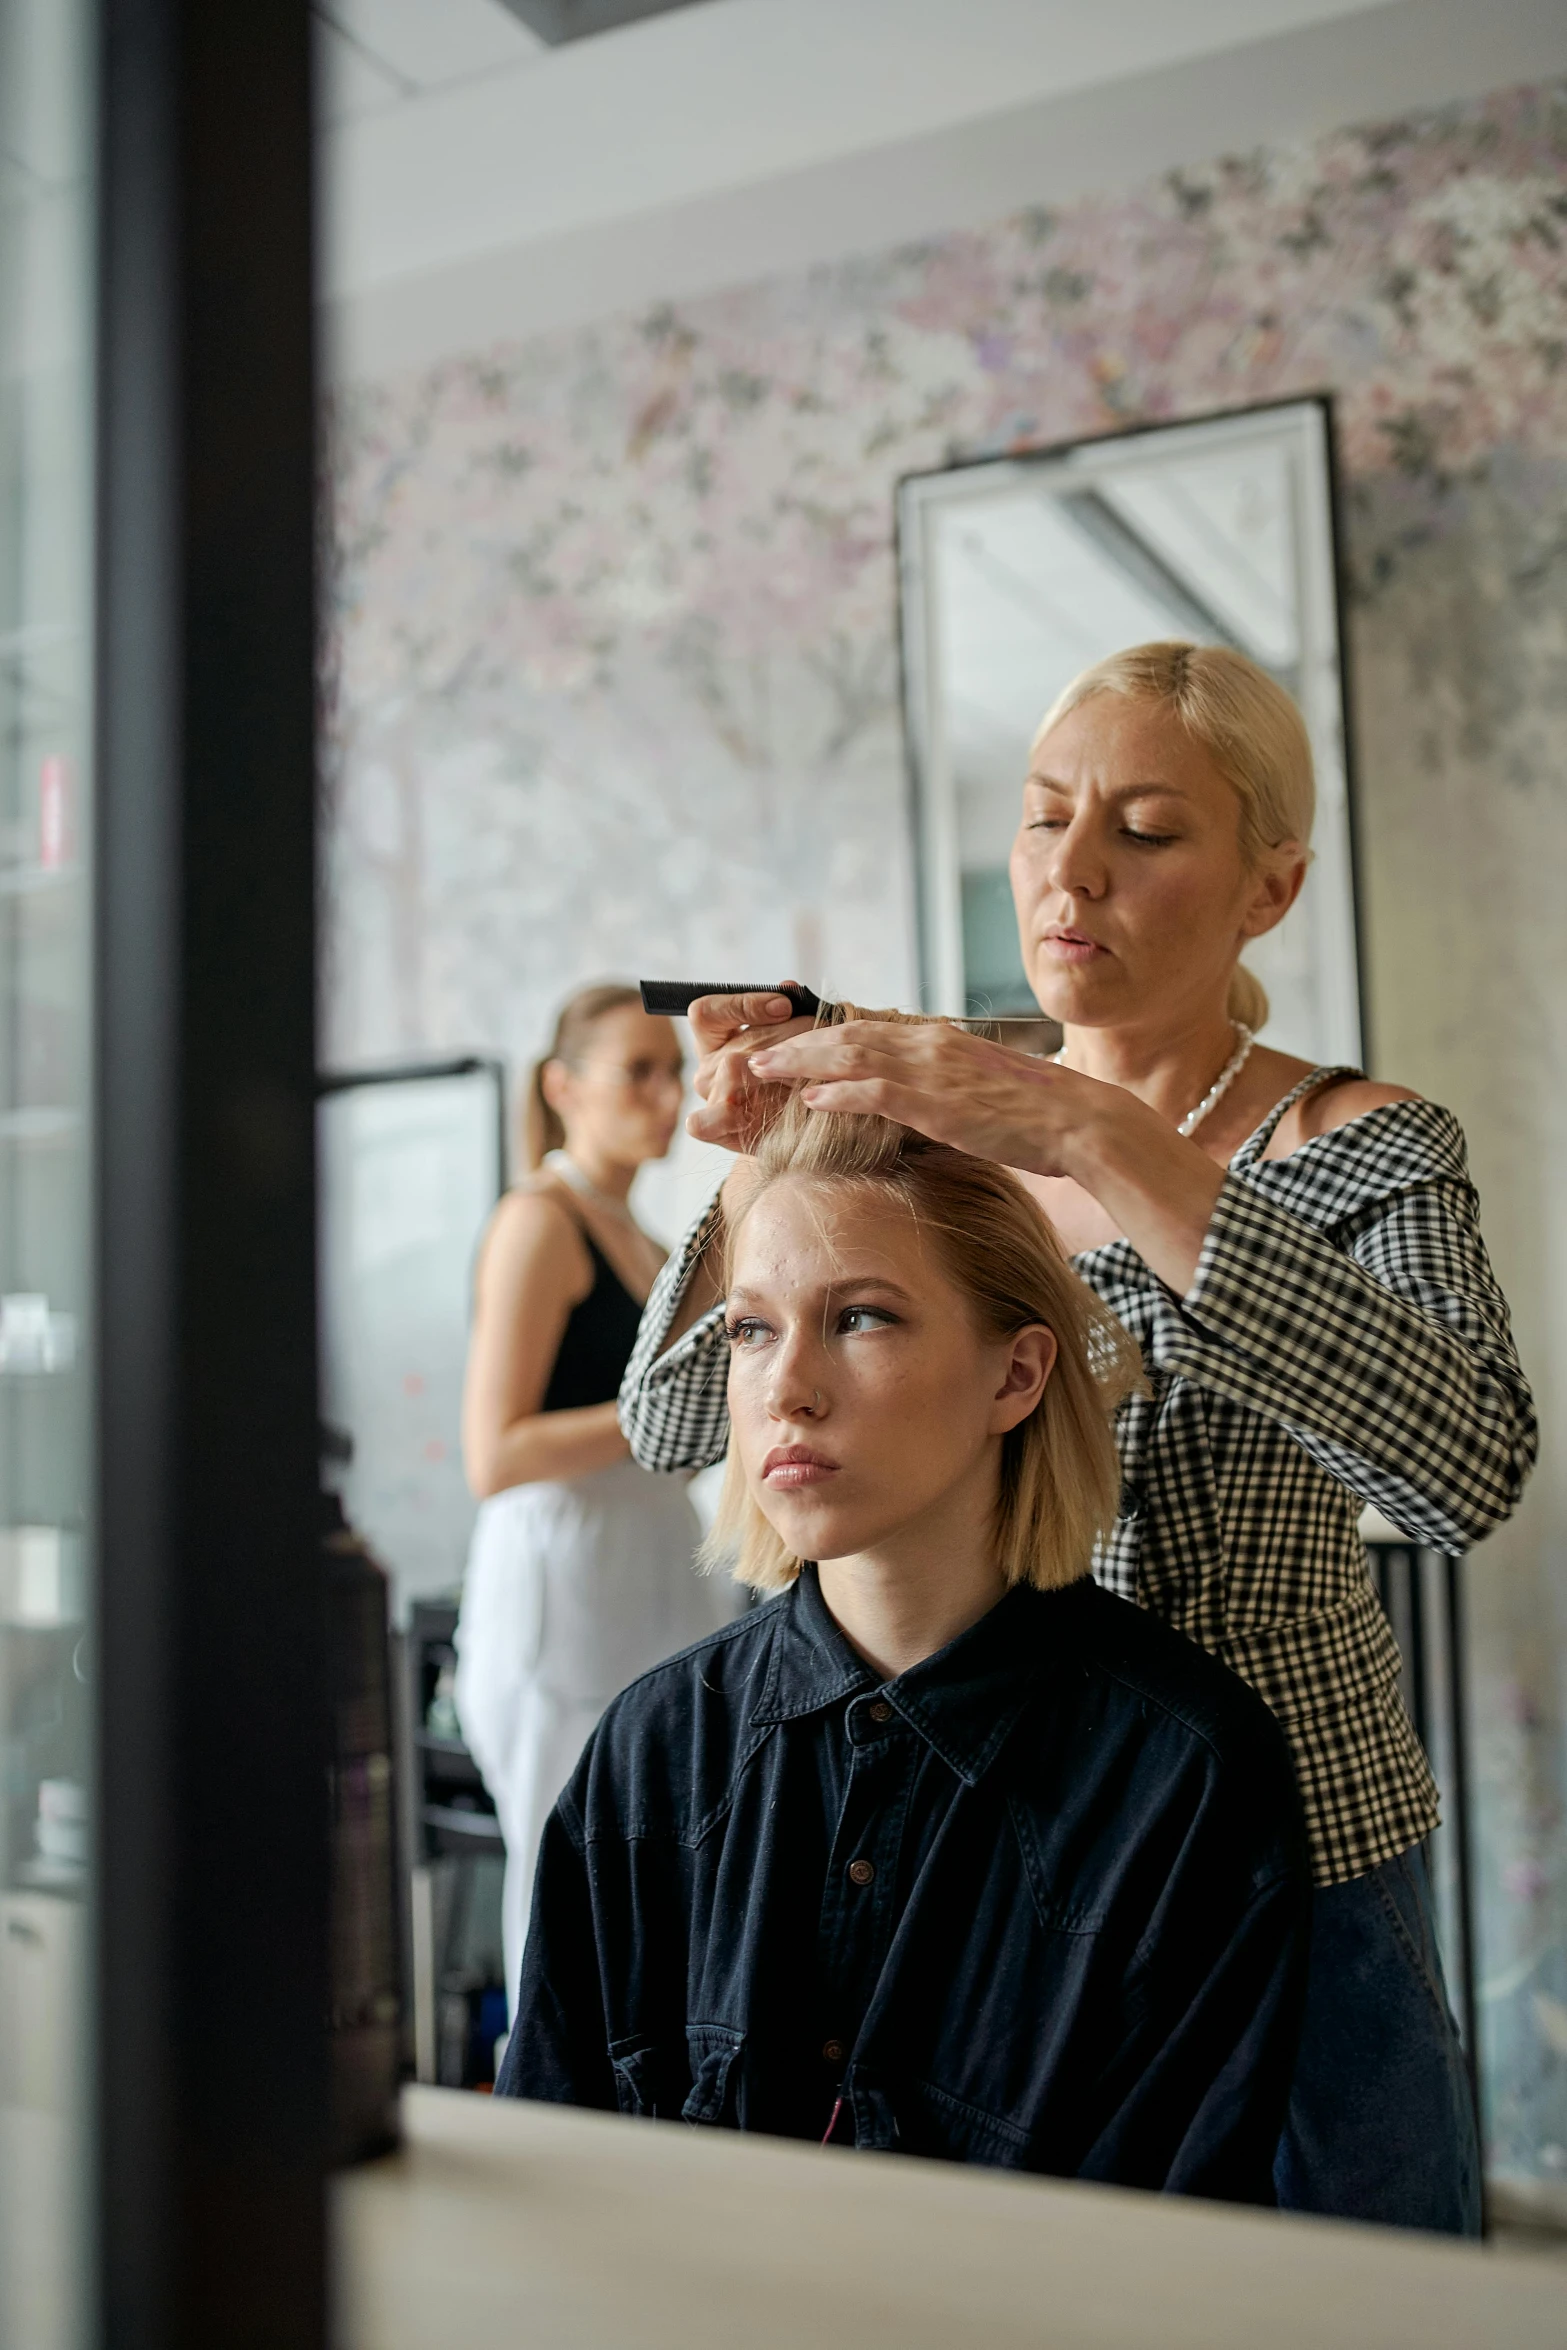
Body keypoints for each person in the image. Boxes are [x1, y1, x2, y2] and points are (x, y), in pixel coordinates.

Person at [619, 642, 1537, 2233]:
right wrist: (765, 1166)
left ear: (1269, 883)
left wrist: (1096, 1136)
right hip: (996, 1844)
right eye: (1043, 819)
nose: (1072, 871)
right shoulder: (941, 1126)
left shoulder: (1361, 1144)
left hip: (1289, 1848)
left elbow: (1458, 1471)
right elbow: (671, 1417)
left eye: (1146, 829)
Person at [499, 1100, 1311, 2198]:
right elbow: (556, 2181)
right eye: (750, 1328)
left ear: (1015, 1377)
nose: (786, 1388)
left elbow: (1169, 2253)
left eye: (862, 1317)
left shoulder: (1184, 1779)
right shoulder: (653, 1748)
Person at [454, 983, 733, 2012]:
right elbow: (495, 1452)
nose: (666, 1095)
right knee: (566, 1862)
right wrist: (658, 1415)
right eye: (640, 1071)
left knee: (654, 1863)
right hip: (562, 1577)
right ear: (562, 1085)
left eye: (676, 1072)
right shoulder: (538, 1221)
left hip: (648, 1569)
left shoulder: (646, 1239)